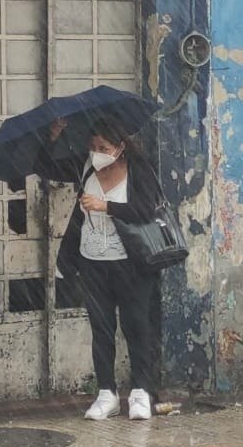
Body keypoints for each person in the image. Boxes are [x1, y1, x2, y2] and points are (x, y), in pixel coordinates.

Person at [40, 118, 165, 420]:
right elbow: (46, 168)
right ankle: (106, 393)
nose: (97, 153)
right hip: (92, 261)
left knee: (137, 326)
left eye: (104, 148)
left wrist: (105, 206)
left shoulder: (139, 170)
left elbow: (144, 210)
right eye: (93, 147)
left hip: (132, 263)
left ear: (120, 147)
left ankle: (140, 392)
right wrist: (53, 137)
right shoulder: (85, 168)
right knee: (101, 328)